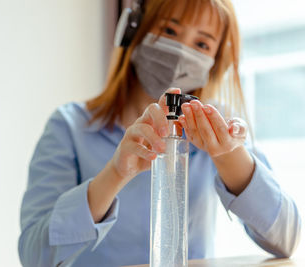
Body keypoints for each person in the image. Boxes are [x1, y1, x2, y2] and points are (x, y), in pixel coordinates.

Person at [18, 0, 302, 266]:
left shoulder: (219, 124)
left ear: (216, 61)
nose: (180, 51)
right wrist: (115, 174)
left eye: (202, 43)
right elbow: (34, 255)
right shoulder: (69, 127)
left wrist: (230, 156)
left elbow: (286, 240)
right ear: (134, 31)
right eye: (169, 30)